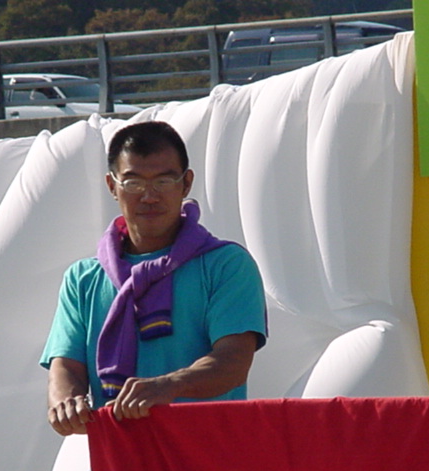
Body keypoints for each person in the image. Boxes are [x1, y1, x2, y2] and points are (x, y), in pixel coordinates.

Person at [40, 121, 267, 436]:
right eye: (133, 182)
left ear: (186, 184)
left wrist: (168, 386)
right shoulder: (83, 279)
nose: (149, 196)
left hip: (208, 454)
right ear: (112, 185)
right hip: (119, 454)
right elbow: (65, 366)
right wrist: (67, 403)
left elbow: (233, 362)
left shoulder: (226, 265)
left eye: (164, 181)